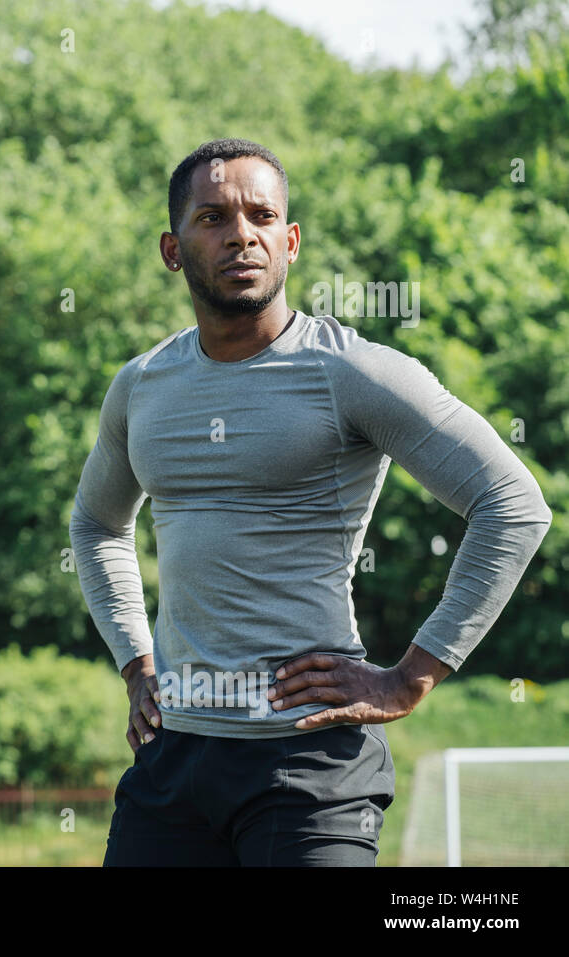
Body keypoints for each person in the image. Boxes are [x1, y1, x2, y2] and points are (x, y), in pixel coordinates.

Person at [68, 138, 553, 866]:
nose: (242, 234)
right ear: (173, 249)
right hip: (174, 757)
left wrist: (411, 675)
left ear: (290, 242)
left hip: (310, 766)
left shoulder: (351, 371)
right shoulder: (140, 387)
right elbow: (97, 524)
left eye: (262, 215)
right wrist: (137, 662)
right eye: (214, 217)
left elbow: (513, 503)